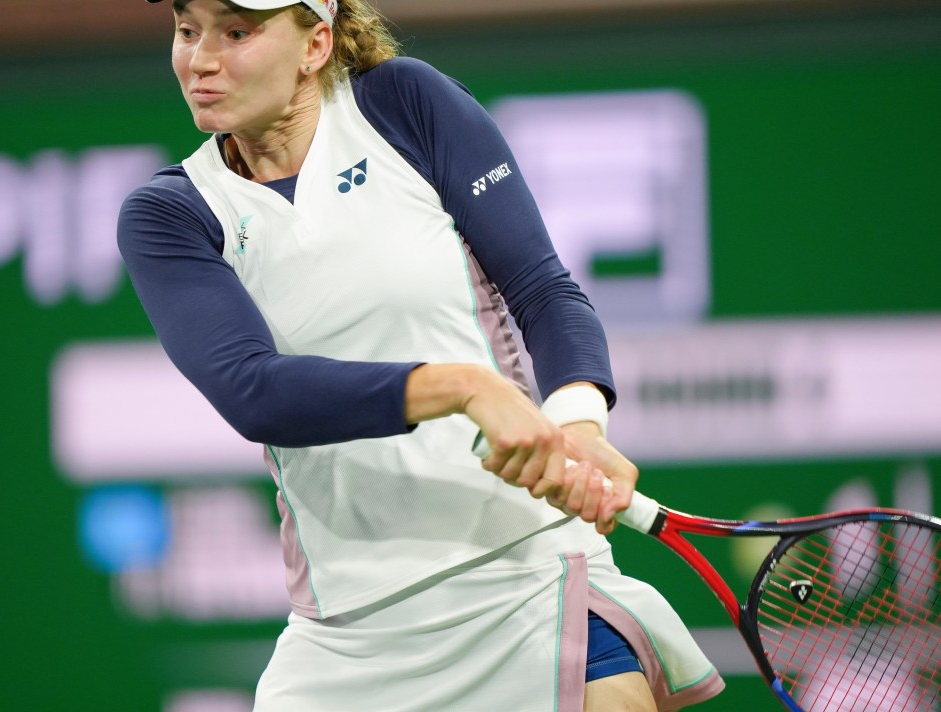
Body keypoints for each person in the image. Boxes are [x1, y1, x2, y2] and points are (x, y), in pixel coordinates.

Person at [118, 0, 725, 709]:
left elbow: (544, 291)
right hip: (347, 628)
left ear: (315, 45)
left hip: (531, 578)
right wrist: (463, 387)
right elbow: (255, 391)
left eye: (236, 32)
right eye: (187, 31)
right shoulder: (172, 214)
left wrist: (579, 424)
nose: (200, 60)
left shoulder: (403, 104)